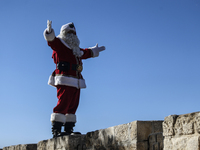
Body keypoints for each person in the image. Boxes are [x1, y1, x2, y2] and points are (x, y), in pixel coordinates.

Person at [43, 20, 105, 137]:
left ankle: (68, 129)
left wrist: (94, 51)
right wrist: (49, 31)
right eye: (69, 32)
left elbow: (85, 53)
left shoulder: (76, 49)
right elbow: (51, 41)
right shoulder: (60, 44)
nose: (72, 34)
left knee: (73, 104)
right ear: (63, 33)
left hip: (76, 80)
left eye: (73, 32)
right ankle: (56, 131)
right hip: (64, 78)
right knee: (63, 103)